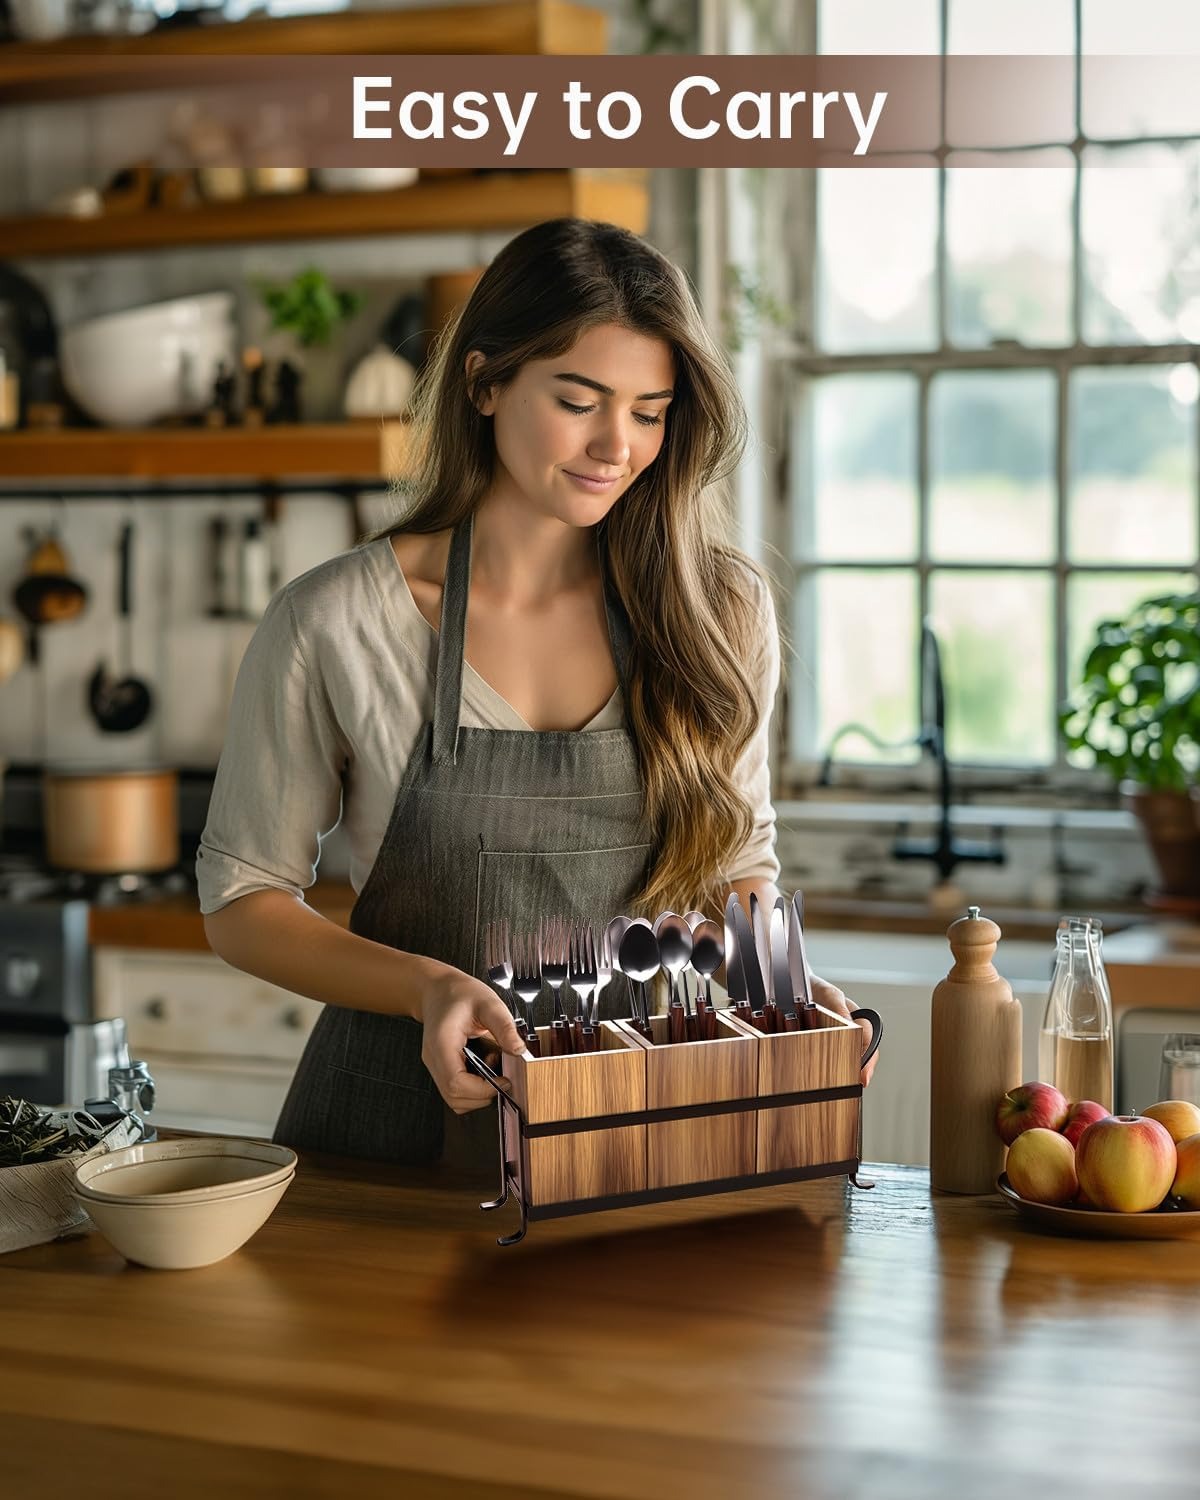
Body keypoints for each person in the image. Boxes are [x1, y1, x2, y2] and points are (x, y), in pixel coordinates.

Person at [199, 216, 876, 1170]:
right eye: (579, 400)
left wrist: (782, 989)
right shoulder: (340, 620)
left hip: (637, 1127)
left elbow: (738, 859)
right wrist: (427, 987)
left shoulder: (718, 608)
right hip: (396, 1139)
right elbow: (241, 899)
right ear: (483, 382)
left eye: (650, 411)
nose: (617, 445)